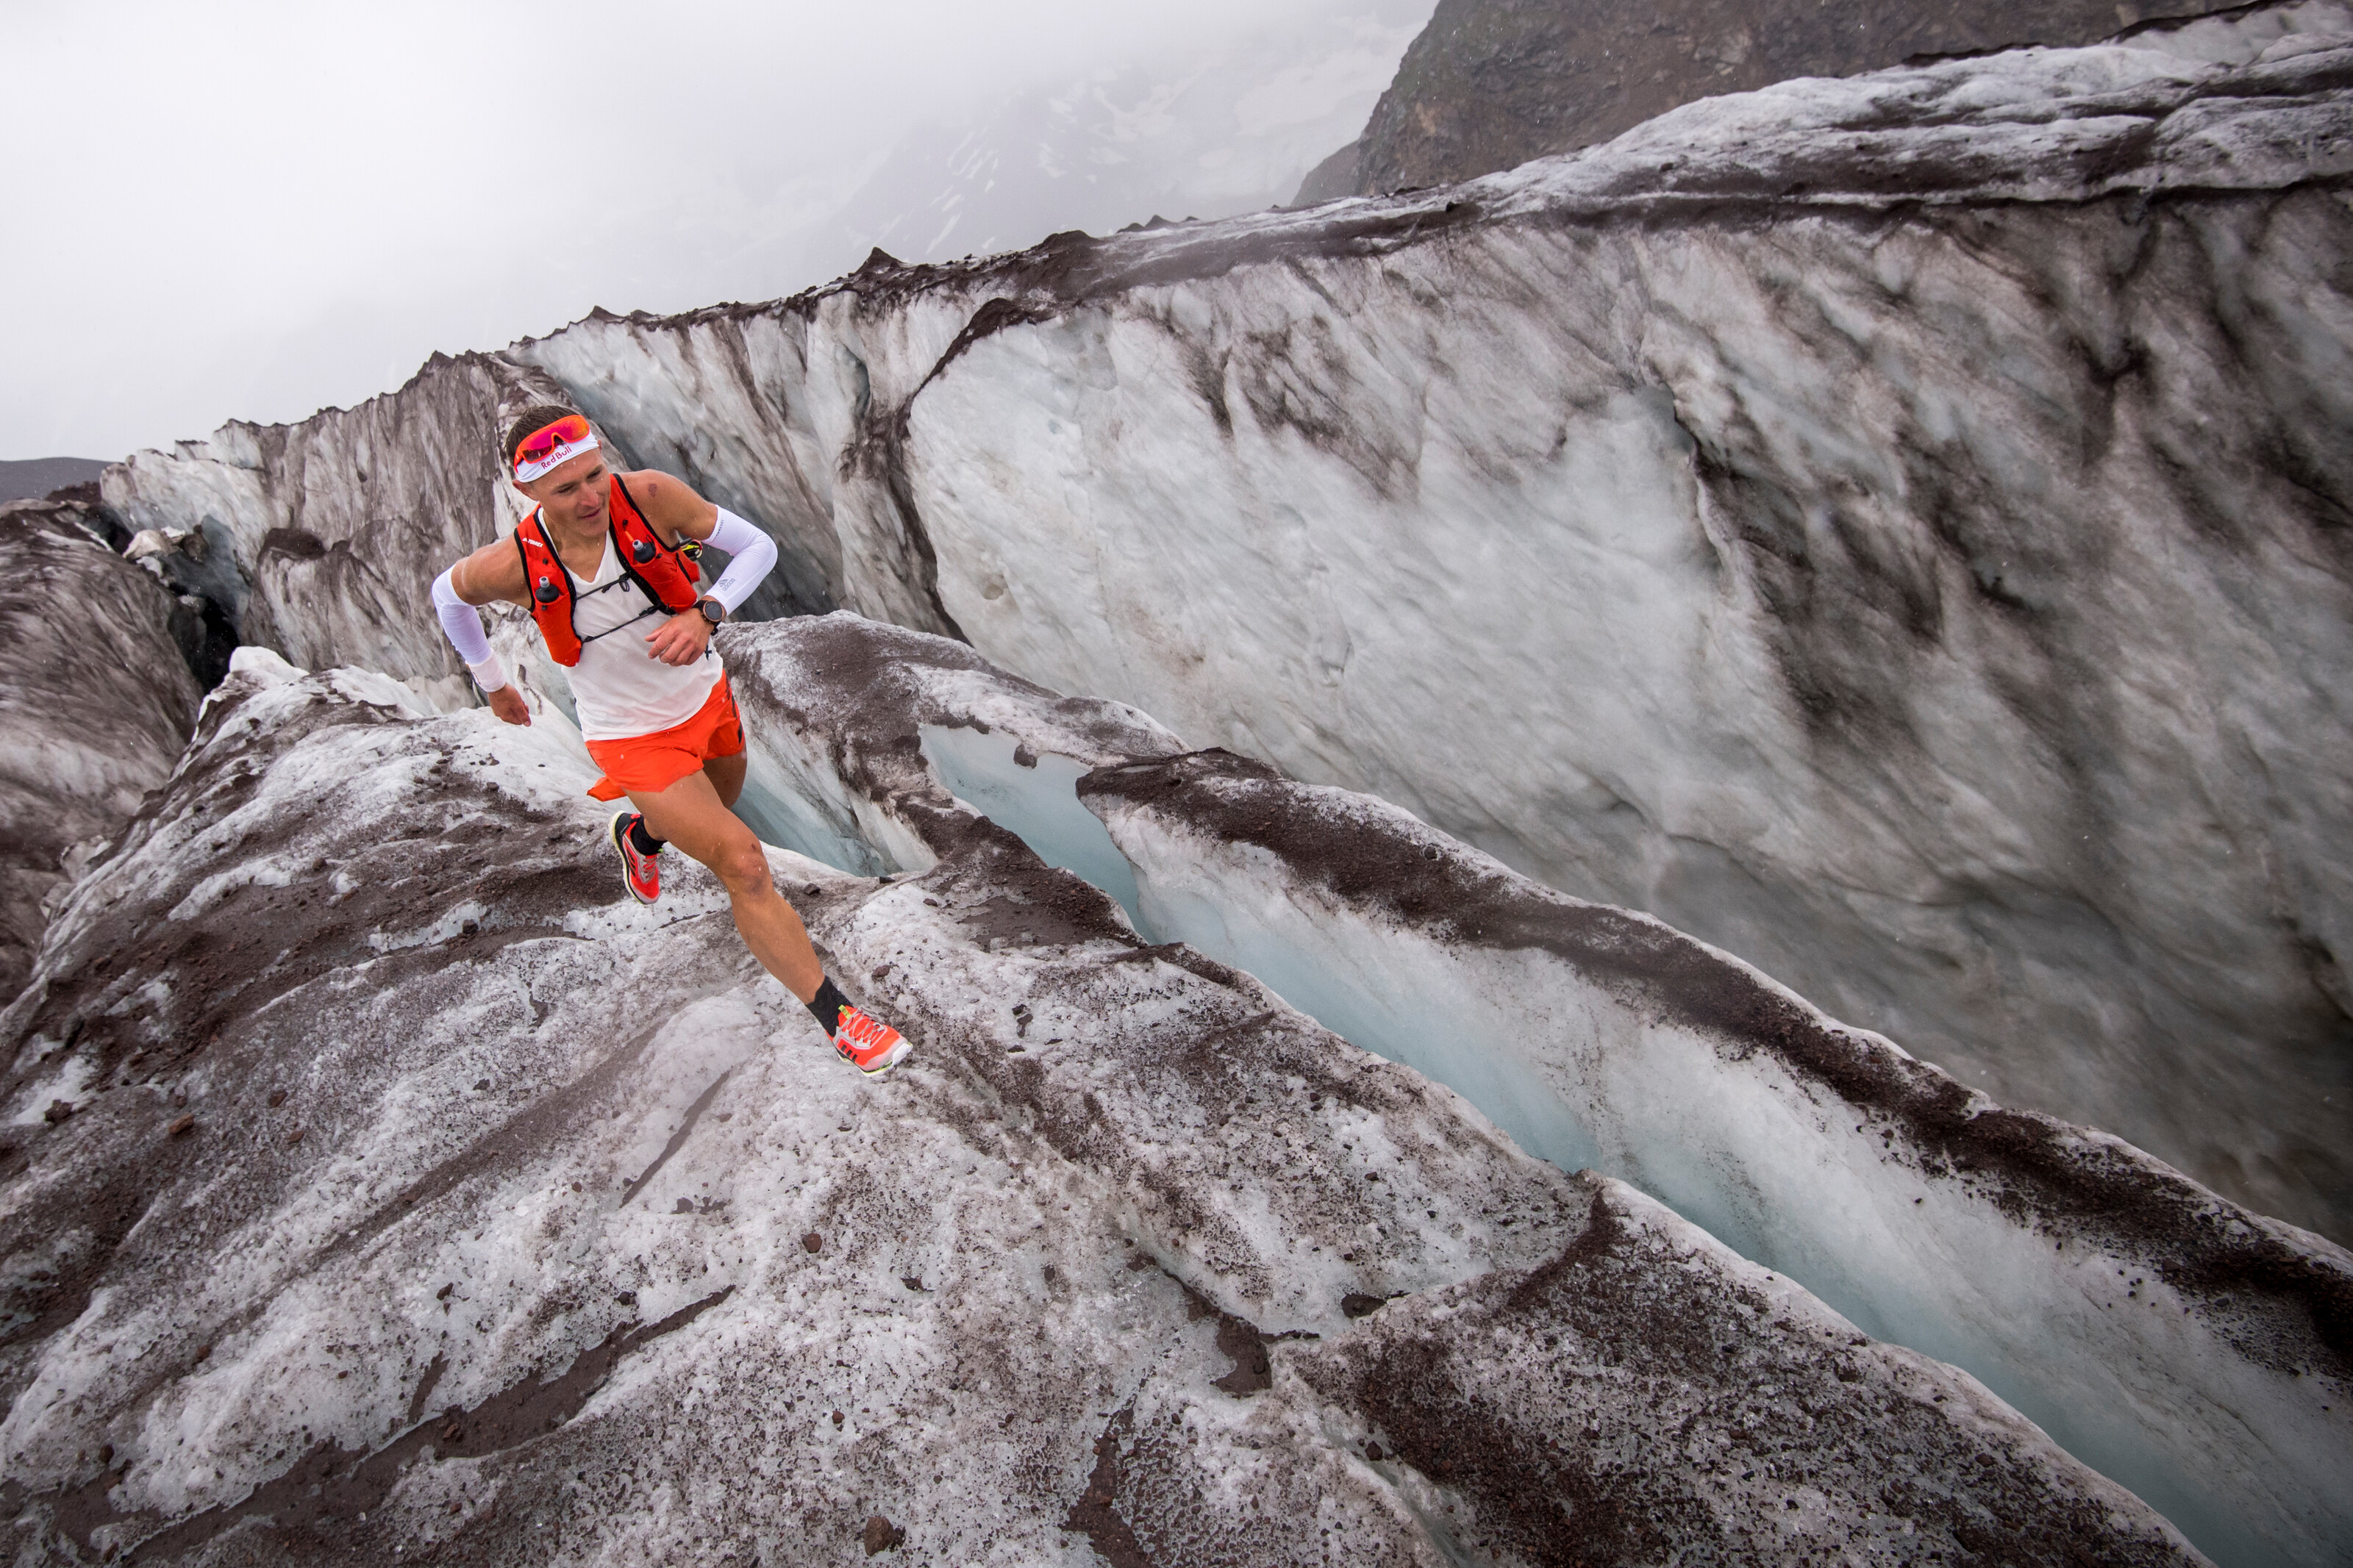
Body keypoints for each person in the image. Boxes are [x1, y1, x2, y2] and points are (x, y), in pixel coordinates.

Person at [429, 406, 910, 1076]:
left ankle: (642, 837)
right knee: (742, 860)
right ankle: (841, 1019)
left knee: (726, 796)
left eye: (595, 474)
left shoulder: (652, 498)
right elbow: (446, 595)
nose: (591, 495)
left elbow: (758, 548)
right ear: (530, 493)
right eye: (566, 489)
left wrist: (706, 611)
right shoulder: (513, 564)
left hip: (704, 701)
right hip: (628, 735)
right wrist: (492, 683)